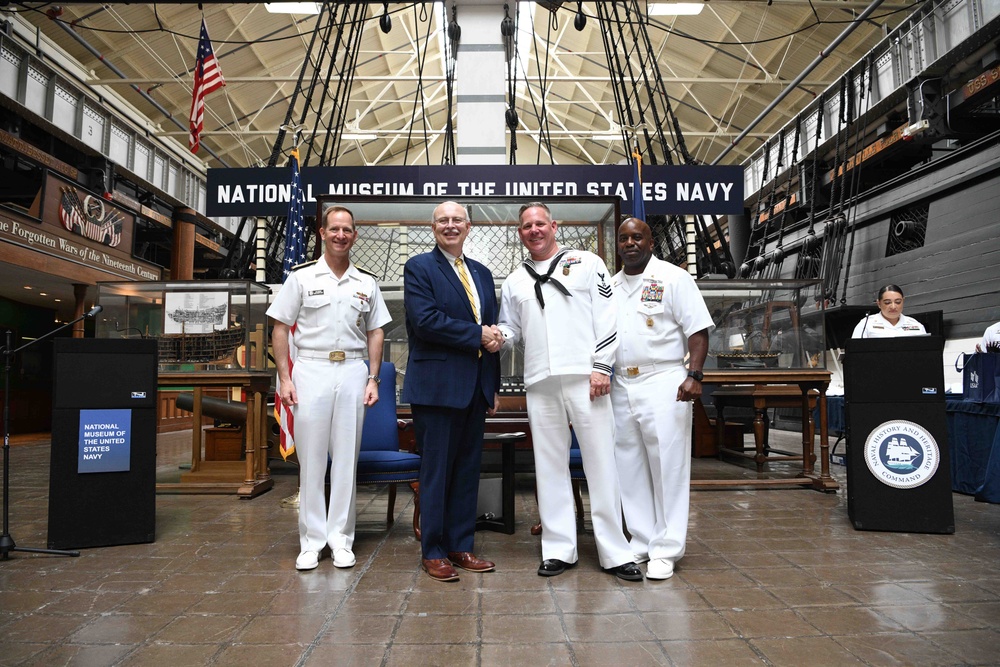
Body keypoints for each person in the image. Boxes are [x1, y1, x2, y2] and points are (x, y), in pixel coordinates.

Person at [497, 201, 642, 581]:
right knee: (548, 467)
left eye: (540, 223)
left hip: (585, 379)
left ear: (554, 226)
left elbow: (608, 317)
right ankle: (559, 549)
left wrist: (601, 367)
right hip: (540, 383)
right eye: (527, 226)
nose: (534, 230)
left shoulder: (587, 262)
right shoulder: (515, 280)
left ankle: (615, 552)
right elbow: (511, 328)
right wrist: (498, 337)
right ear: (520, 233)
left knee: (601, 465)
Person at [267, 205, 391, 571]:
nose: (340, 235)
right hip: (310, 370)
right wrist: (286, 378)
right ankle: (311, 541)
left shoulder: (366, 282)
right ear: (322, 233)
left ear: (354, 235)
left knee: (345, 461)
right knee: (312, 460)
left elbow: (376, 330)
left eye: (347, 230)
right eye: (334, 229)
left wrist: (373, 378)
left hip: (353, 370)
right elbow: (279, 328)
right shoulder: (301, 277)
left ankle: (340, 539)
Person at [401, 201, 502, 582]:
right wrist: (477, 334)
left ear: (469, 225)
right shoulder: (419, 267)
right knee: (436, 472)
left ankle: (461, 546)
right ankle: (434, 551)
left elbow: (491, 328)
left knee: (466, 472)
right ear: (433, 227)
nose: (450, 225)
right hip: (436, 388)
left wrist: (490, 384)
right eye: (443, 220)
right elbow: (426, 322)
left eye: (457, 219)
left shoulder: (482, 272)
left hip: (475, 389)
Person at [610, 218, 714, 580]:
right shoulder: (610, 286)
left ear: (651, 242)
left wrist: (695, 374)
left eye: (637, 237)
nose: (630, 243)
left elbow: (697, 330)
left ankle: (667, 549)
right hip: (621, 384)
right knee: (629, 465)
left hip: (664, 379)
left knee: (667, 466)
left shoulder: (673, 277)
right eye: (623, 238)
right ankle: (640, 539)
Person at [851, 284, 926, 338]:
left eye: (898, 302)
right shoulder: (866, 324)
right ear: (879, 303)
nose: (893, 307)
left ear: (903, 301)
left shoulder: (916, 325)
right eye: (887, 302)